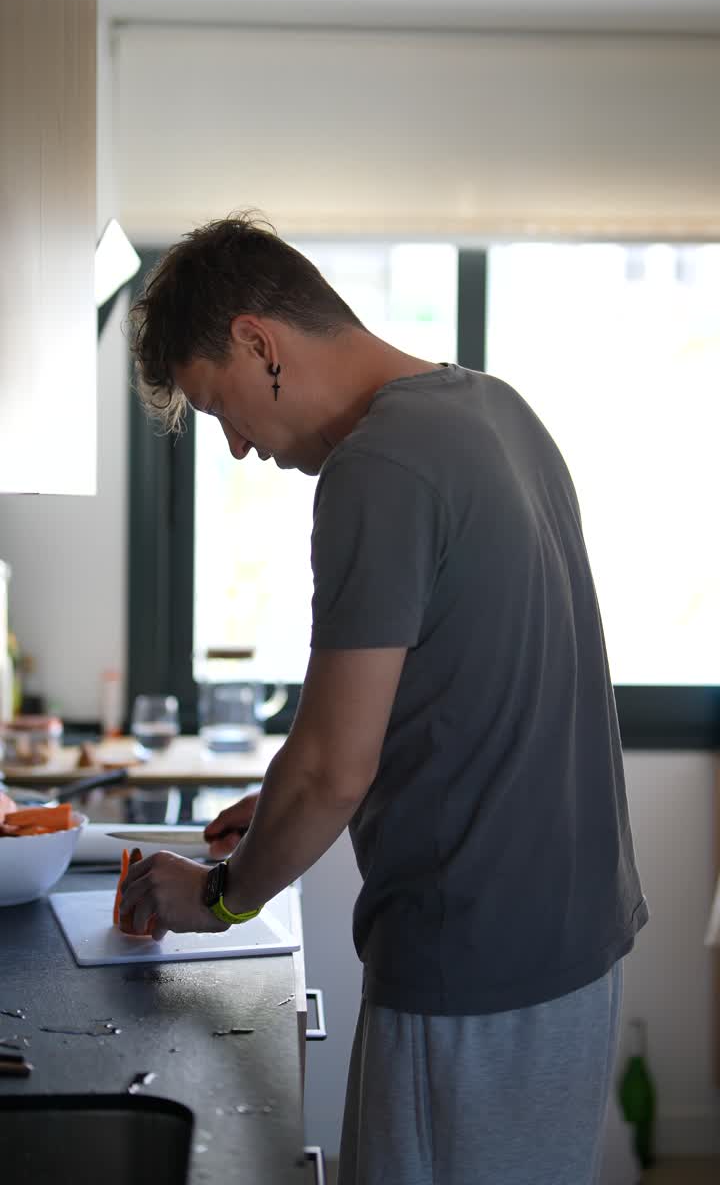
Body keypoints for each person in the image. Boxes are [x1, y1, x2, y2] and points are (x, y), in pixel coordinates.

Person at [121, 212, 649, 1185]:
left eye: (220, 406)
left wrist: (218, 897)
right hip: (573, 947)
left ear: (258, 341)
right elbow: (457, 698)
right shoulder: (495, 409)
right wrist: (278, 810)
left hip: (470, 966)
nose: (237, 446)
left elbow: (330, 766)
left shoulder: (379, 467)